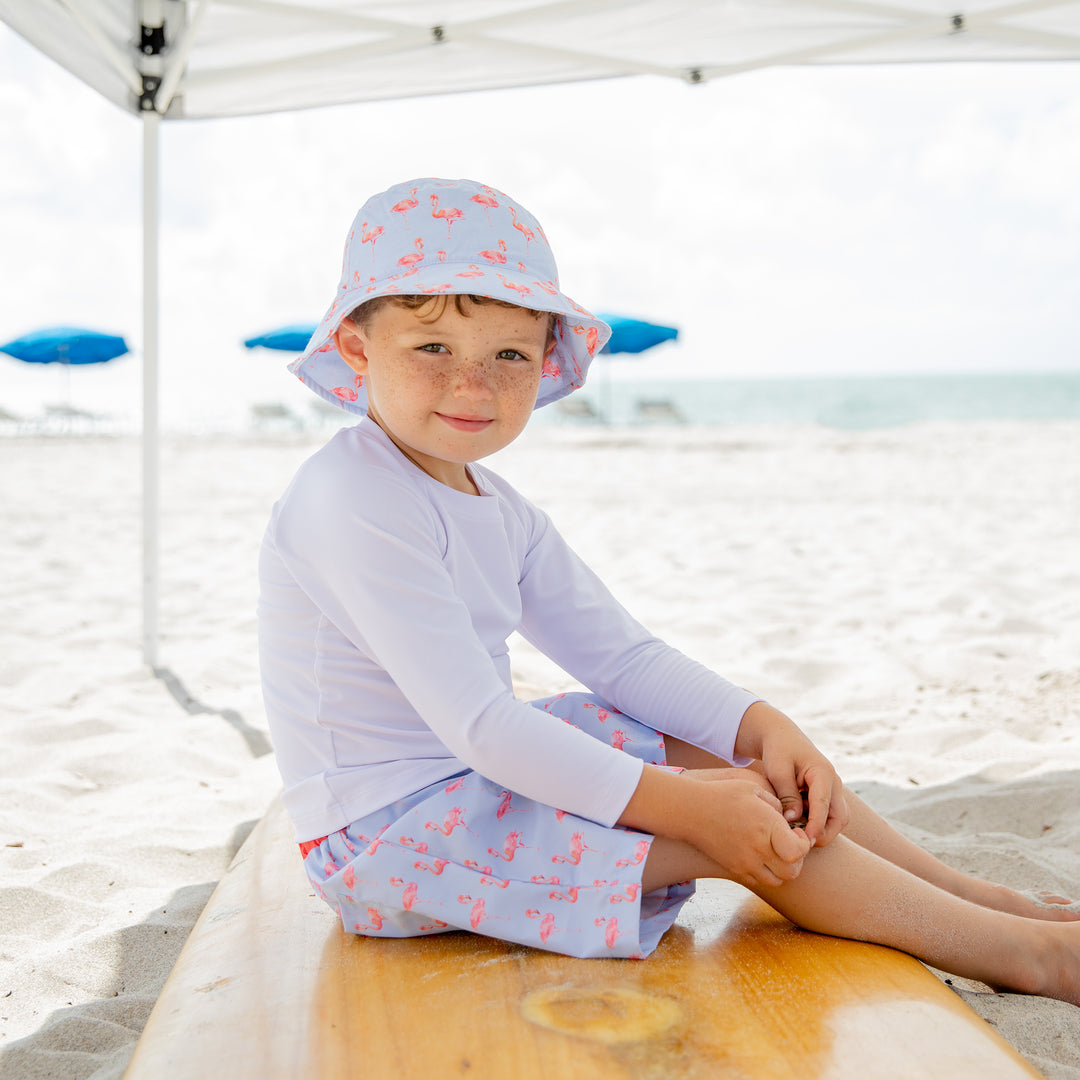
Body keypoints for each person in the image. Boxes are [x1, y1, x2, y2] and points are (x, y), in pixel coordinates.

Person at [258, 177, 1079, 1004]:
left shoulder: (498, 508)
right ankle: (1029, 957)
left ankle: (977, 898)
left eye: (508, 354)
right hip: (391, 839)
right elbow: (480, 725)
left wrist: (765, 727)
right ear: (360, 351)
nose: (474, 385)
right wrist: (690, 811)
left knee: (746, 764)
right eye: (432, 350)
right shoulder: (350, 498)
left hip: (472, 784)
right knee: (752, 831)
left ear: (545, 359)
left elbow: (623, 658)